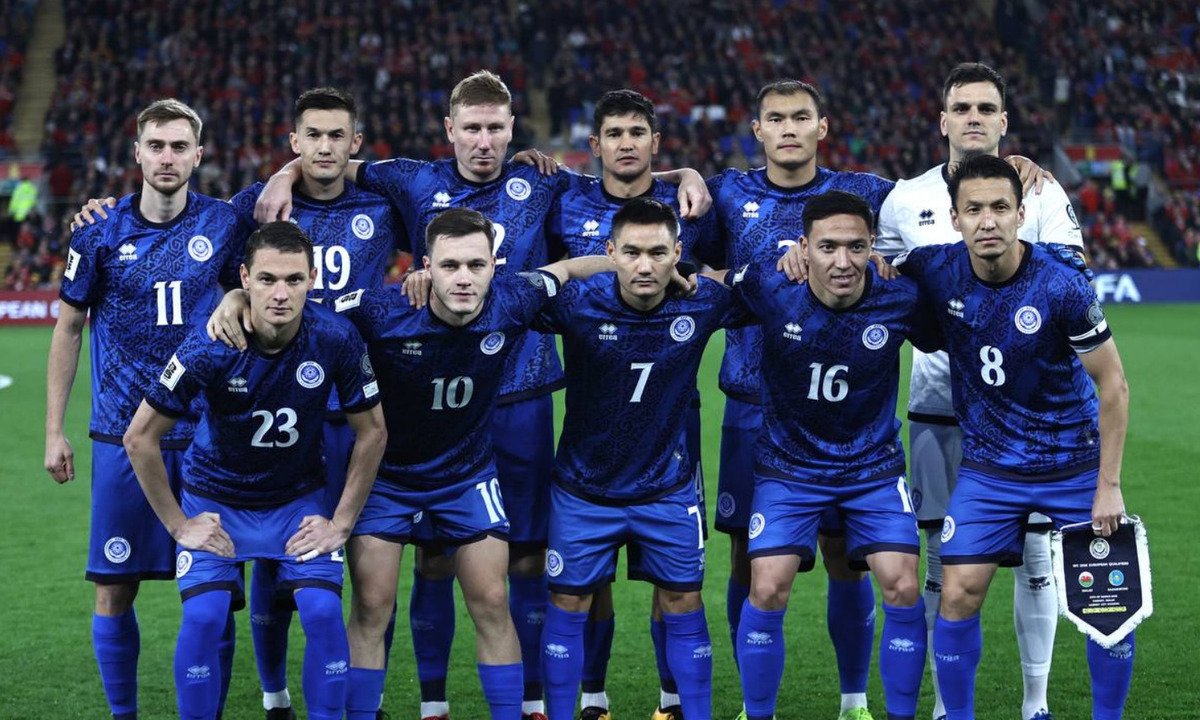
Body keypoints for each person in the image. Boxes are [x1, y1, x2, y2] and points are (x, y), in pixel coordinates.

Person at [255, 71, 709, 720]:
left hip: (521, 394)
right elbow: (329, 162)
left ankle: (531, 701)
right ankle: (432, 703)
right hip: (429, 401)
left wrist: (682, 175)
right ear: (450, 129)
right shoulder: (412, 179)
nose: (484, 141)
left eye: (496, 128)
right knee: (428, 563)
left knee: (522, 559)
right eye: (472, 128)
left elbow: (616, 178)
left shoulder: (543, 182)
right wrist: (281, 176)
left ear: (512, 129)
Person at [331, 207, 619, 720]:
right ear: (425, 266)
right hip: (388, 479)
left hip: (466, 475)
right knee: (372, 606)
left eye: (476, 265)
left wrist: (648, 270)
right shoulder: (381, 309)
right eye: (449, 266)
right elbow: (307, 314)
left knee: (490, 599)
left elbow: (569, 268)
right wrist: (239, 299)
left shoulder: (512, 298)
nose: (463, 278)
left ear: (494, 267)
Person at [874, 63, 1084, 720]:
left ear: (1003, 121)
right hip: (938, 405)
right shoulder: (904, 199)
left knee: (1036, 557)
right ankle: (946, 706)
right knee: (942, 561)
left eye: (985, 108)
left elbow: (1074, 279)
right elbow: (881, 280)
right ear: (943, 121)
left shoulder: (1040, 193)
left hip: (1028, 416)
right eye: (961, 108)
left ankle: (1034, 703)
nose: (973, 118)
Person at [895, 154, 1133, 720]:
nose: (988, 221)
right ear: (954, 218)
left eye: (1000, 208)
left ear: (1021, 215)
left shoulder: (1061, 282)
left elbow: (1114, 385)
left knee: (1109, 603)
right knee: (957, 591)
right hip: (990, 470)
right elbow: (867, 268)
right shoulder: (934, 268)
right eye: (974, 209)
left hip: (1072, 463)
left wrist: (1109, 486)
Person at [122, 221, 387, 720]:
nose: (280, 294)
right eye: (267, 279)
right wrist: (179, 526)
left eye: (293, 279)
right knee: (204, 617)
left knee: (323, 612)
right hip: (216, 502)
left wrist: (341, 523)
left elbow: (373, 432)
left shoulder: (336, 337)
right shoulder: (210, 343)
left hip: (296, 501)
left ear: (312, 279)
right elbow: (139, 438)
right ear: (245, 279)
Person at [692, 80, 894, 720]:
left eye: (800, 117)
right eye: (775, 118)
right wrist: (682, 175)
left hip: (844, 411)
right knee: (747, 557)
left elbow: (944, 199)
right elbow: (688, 263)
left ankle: (854, 700)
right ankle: (752, 699)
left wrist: (1009, 160)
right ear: (757, 129)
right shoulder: (728, 193)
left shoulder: (864, 193)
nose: (788, 128)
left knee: (846, 556)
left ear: (821, 127)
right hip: (752, 400)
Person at [45, 99, 244, 720]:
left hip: (207, 434)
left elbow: (261, 280)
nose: (167, 157)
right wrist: (53, 431)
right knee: (113, 588)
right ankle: (123, 715)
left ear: (198, 155)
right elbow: (68, 328)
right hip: (120, 434)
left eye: (179, 146)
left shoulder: (225, 222)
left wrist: (237, 296)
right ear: (137, 153)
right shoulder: (98, 230)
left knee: (215, 589)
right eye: (156, 145)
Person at [720, 190, 940, 720]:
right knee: (766, 585)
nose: (843, 261)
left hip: (872, 468)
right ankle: (757, 713)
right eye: (827, 247)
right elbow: (704, 284)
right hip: (789, 468)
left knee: (903, 584)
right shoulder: (770, 285)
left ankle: (882, 711)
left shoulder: (900, 297)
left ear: (872, 246)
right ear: (803, 247)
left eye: (856, 247)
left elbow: (955, 328)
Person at [226, 87, 402, 720]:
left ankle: (362, 705)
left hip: (362, 413)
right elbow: (215, 274)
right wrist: (230, 298)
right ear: (294, 142)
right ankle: (275, 697)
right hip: (280, 415)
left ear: (355, 144)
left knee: (371, 572)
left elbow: (455, 214)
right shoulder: (258, 205)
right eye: (313, 136)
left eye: (336, 136)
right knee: (275, 568)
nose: (324, 147)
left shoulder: (384, 203)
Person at [538, 198, 742, 720]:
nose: (645, 266)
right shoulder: (576, 303)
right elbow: (503, 293)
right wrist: (569, 268)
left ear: (677, 253)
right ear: (610, 253)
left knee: (684, 603)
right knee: (568, 605)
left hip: (666, 491)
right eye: (631, 253)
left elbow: (769, 286)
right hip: (583, 491)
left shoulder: (702, 302)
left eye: (657, 253)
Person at [547, 89, 710, 720]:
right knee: (581, 589)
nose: (625, 143)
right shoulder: (565, 197)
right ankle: (591, 698)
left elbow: (726, 280)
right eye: (613, 133)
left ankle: (675, 701)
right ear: (595, 144)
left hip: (672, 432)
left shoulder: (693, 204)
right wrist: (581, 270)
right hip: (589, 446)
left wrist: (687, 174)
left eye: (637, 133)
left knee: (677, 588)